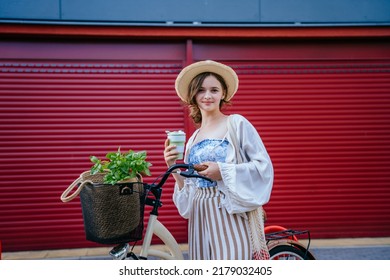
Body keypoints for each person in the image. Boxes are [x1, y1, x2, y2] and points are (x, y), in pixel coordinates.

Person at [164, 60, 273, 260]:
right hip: (199, 215)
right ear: (193, 96)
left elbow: (263, 168)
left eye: (214, 90)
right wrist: (173, 167)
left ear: (223, 94)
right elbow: (188, 190)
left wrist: (222, 171)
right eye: (201, 90)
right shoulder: (192, 140)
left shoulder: (237, 124)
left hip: (229, 212)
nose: (207, 96)